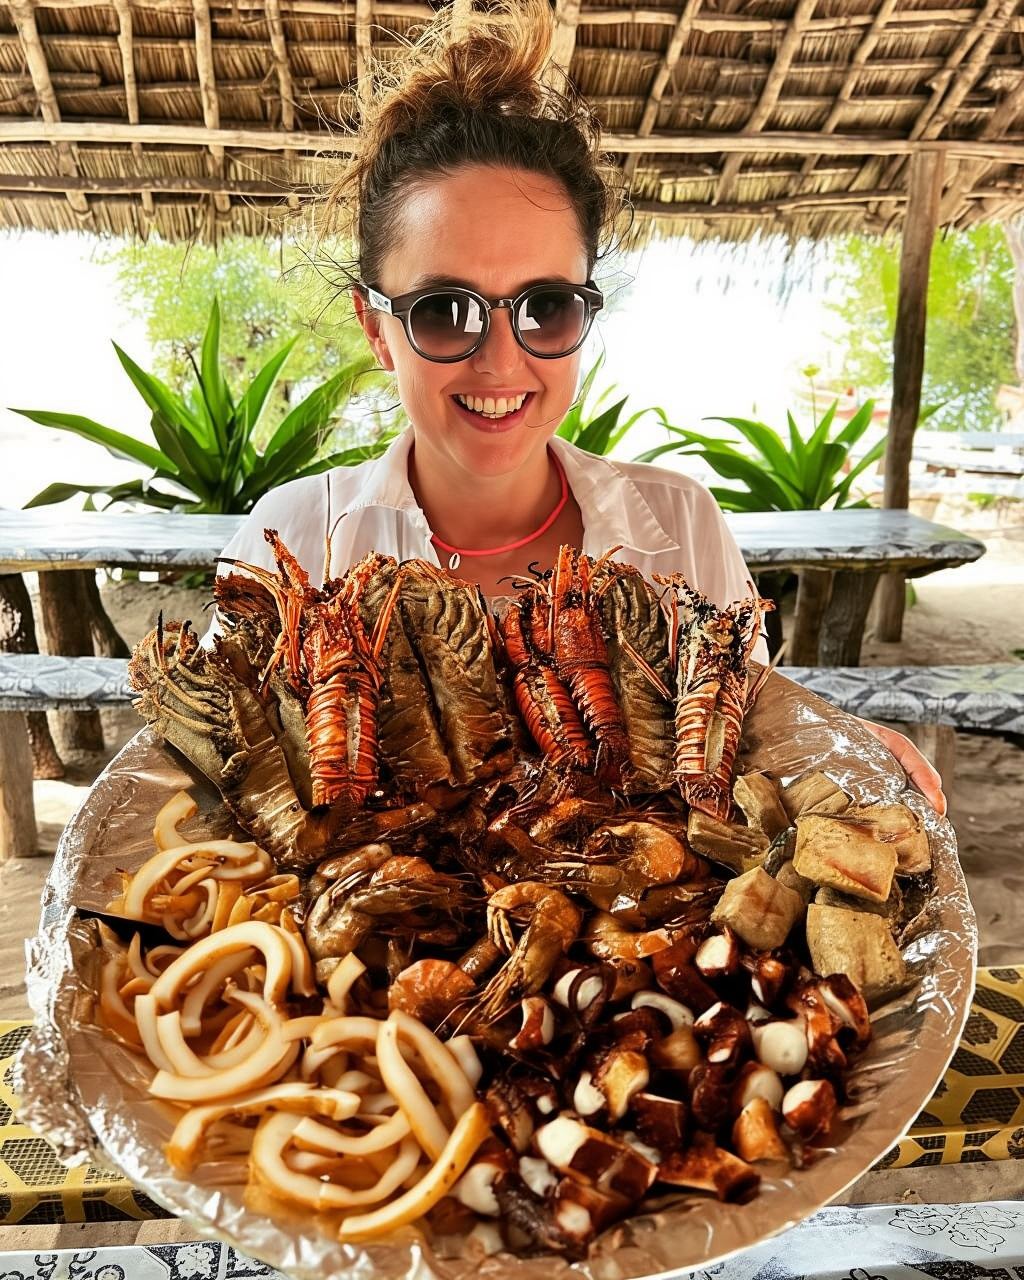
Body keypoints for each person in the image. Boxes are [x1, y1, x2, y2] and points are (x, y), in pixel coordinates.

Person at [216, 0, 945, 815]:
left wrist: (829, 749)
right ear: (376, 330)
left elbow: (746, 734)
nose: (501, 359)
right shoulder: (299, 539)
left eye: (546, 307)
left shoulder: (680, 525)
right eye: (443, 311)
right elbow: (223, 776)